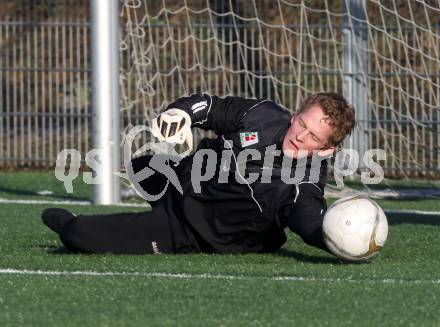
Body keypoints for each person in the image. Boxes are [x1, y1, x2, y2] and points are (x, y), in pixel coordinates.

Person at [42, 93, 355, 255]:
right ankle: (166, 191)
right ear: (295, 114)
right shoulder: (263, 114)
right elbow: (212, 107)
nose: (301, 136)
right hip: (186, 183)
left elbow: (309, 220)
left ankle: (73, 223)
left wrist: (338, 238)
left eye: (314, 137)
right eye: (302, 123)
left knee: (77, 235)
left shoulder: (303, 182)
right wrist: (179, 112)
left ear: (327, 150)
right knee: (141, 166)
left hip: (196, 230)